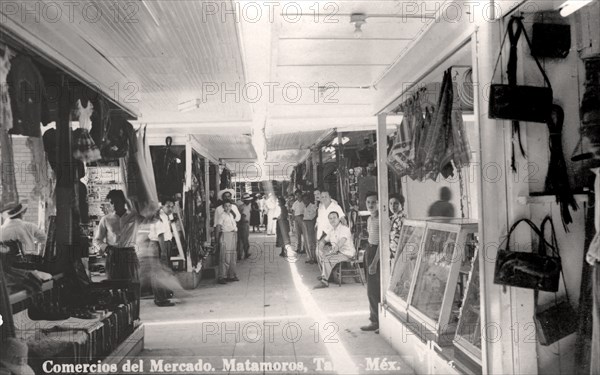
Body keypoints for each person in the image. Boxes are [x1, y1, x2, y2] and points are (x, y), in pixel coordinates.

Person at [93, 190, 144, 319]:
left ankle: (134, 317)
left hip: (129, 254)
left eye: (117, 202)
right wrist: (106, 248)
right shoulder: (106, 219)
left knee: (132, 286)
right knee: (114, 288)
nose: (114, 205)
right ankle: (118, 319)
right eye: (112, 203)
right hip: (113, 255)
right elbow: (97, 240)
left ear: (124, 201)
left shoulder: (135, 217)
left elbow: (149, 215)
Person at [313, 212, 356, 289]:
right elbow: (324, 240)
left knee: (327, 258)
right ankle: (327, 275)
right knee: (320, 253)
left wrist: (331, 253)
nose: (332, 220)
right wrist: (320, 247)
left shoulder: (344, 229)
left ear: (339, 219)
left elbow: (341, 243)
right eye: (330, 218)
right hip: (339, 253)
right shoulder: (332, 230)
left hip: (347, 253)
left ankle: (324, 281)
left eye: (334, 217)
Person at [147, 197, 176, 307]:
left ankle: (164, 295)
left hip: (164, 244)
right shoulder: (160, 217)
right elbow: (160, 236)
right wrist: (163, 252)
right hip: (158, 245)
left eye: (172, 206)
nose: (171, 208)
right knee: (158, 273)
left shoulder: (166, 216)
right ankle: (160, 299)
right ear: (162, 206)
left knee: (163, 271)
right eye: (168, 206)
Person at [361, 191, 381, 333]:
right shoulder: (369, 219)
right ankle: (374, 318)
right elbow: (371, 238)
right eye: (368, 202)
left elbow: (382, 243)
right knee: (371, 288)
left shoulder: (381, 219)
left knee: (373, 290)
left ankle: (376, 321)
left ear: (379, 203)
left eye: (373, 202)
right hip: (369, 250)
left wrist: (374, 262)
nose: (371, 205)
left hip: (376, 254)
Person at [216, 200, 239, 284]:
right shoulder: (222, 216)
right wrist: (217, 239)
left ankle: (231, 275)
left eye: (229, 206)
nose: (228, 207)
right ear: (223, 207)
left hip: (233, 235)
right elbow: (218, 227)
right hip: (226, 235)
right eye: (226, 206)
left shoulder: (231, 215)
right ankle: (222, 277)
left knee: (233, 256)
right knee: (225, 257)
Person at [214, 188, 240, 255]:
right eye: (225, 196)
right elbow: (216, 223)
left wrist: (231, 211)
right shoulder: (218, 209)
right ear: (222, 197)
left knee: (232, 252)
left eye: (228, 196)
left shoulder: (234, 207)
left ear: (231, 197)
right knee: (225, 253)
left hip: (233, 232)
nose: (227, 198)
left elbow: (238, 219)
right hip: (224, 233)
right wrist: (217, 238)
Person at [389, 193, 406, 264]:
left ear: (401, 205)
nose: (393, 206)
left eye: (396, 203)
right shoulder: (391, 219)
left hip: (400, 254)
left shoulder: (403, 219)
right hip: (392, 254)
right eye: (390, 203)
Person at [302, 192, 318, 264]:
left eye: (306, 199)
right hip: (305, 223)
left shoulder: (313, 206)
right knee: (307, 241)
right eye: (303, 200)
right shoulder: (305, 206)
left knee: (312, 241)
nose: (304, 201)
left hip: (310, 223)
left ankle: (314, 257)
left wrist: (313, 222)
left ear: (308, 199)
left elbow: (316, 214)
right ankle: (310, 257)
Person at [237, 193, 252, 260]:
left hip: (239, 225)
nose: (249, 201)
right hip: (244, 224)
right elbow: (243, 216)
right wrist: (245, 221)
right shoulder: (245, 208)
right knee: (245, 239)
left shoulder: (240, 206)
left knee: (240, 240)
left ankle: (239, 255)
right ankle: (246, 253)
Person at [291, 190, 305, 255]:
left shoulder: (304, 202)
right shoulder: (295, 203)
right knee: (298, 234)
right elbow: (293, 212)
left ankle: (305, 248)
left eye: (299, 194)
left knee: (305, 234)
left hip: (303, 218)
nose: (298, 196)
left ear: (301, 194)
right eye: (297, 195)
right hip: (297, 218)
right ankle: (298, 248)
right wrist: (293, 220)